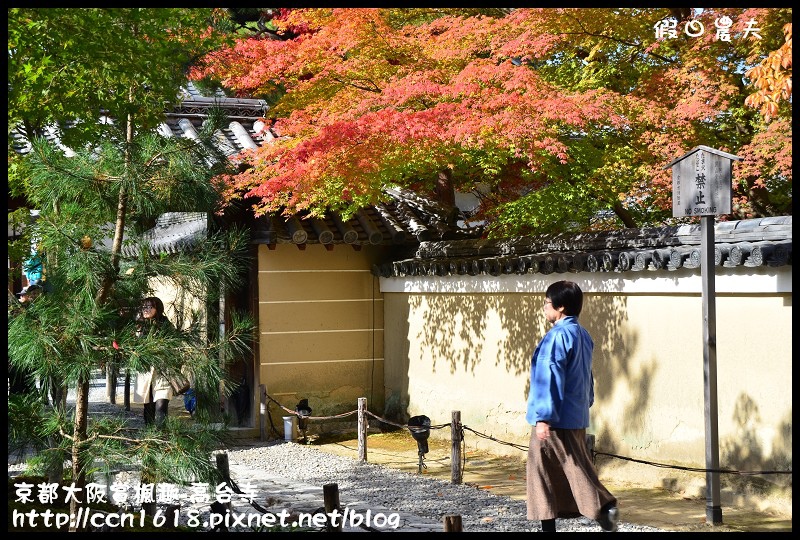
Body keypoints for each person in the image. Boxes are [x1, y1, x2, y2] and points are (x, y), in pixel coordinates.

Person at [525, 280, 619, 533]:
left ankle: (604, 508)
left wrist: (543, 417)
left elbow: (549, 377)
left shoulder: (556, 337)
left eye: (547, 303)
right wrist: (584, 404)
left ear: (561, 307)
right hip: (574, 415)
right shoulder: (582, 334)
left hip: (554, 420)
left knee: (551, 473)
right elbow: (587, 376)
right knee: (561, 471)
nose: (544, 308)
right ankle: (559, 524)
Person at [133, 296, 175, 426]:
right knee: (148, 406)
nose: (146, 309)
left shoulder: (166, 325)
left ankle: (161, 435)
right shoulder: (139, 326)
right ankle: (150, 437)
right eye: (144, 307)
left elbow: (173, 347)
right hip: (145, 371)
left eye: (150, 307)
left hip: (162, 371)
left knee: (161, 404)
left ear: (157, 308)